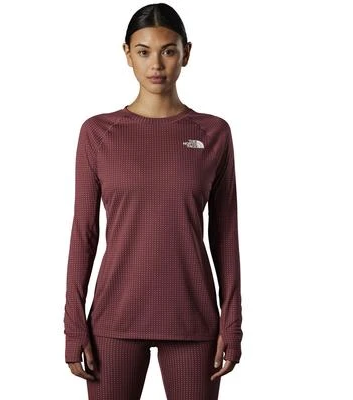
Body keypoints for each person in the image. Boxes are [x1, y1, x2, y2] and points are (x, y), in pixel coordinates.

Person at [63, 3, 243, 399]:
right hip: (114, 319)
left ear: (186, 53)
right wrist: (74, 324)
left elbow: (225, 236)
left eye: (168, 51)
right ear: (127, 54)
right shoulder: (98, 133)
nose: (156, 64)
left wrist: (231, 323)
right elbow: (84, 234)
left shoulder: (213, 133)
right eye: (144, 51)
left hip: (193, 319)